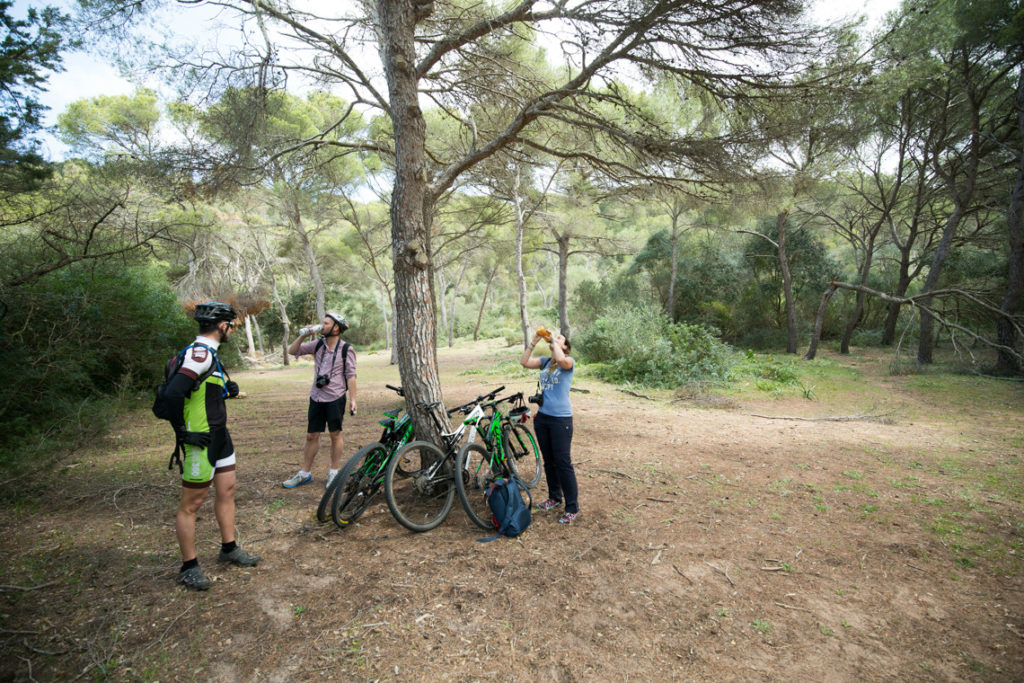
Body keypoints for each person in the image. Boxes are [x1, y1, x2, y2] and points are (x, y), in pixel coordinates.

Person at [165, 301, 261, 590]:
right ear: (222, 326)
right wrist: (183, 433)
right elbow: (172, 395)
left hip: (220, 435)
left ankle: (229, 548)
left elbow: (199, 394)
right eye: (230, 325)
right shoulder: (199, 355)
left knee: (227, 490)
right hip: (201, 438)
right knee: (191, 504)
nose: (231, 329)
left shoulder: (210, 356)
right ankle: (188, 566)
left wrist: (225, 393)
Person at [282, 312, 358, 489]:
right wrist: (303, 335)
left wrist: (353, 400)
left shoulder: (347, 349)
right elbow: (292, 351)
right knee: (311, 435)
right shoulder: (317, 344)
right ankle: (305, 474)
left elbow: (351, 376)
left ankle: (334, 472)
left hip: (336, 397)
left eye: (325, 323)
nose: (321, 325)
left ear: (336, 327)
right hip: (316, 396)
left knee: (335, 434)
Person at [520, 329, 579, 524]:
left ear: (565, 347)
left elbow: (561, 361)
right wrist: (534, 341)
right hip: (543, 418)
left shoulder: (568, 363)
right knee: (549, 461)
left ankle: (572, 507)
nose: (555, 339)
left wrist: (554, 339)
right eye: (555, 338)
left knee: (563, 462)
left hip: (561, 420)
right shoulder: (545, 362)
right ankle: (555, 497)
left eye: (561, 339)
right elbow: (524, 362)